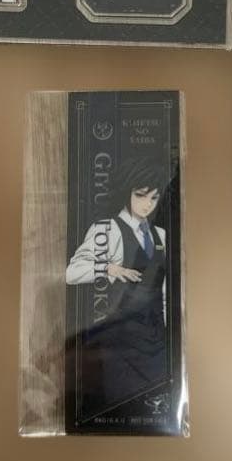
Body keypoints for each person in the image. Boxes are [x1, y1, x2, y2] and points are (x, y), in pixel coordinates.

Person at [66, 158, 168, 408]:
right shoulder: (107, 230)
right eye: (140, 195)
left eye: (154, 198)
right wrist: (109, 268)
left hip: (156, 336)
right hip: (121, 338)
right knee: (122, 402)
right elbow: (72, 272)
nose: (147, 204)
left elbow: (163, 287)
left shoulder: (160, 235)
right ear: (127, 192)